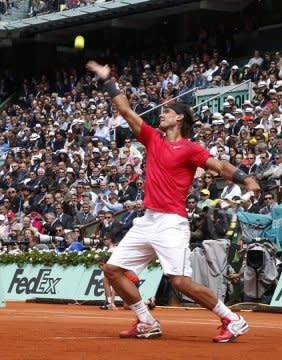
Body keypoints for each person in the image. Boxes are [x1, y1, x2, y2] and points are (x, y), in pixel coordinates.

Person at [86, 61, 260, 342]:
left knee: (179, 281)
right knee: (113, 270)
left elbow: (221, 167)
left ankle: (232, 318)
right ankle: (146, 321)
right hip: (148, 220)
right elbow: (125, 111)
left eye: (167, 111)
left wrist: (246, 179)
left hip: (171, 222)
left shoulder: (190, 149)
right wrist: (108, 80)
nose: (162, 114)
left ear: (179, 119)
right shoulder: (153, 139)